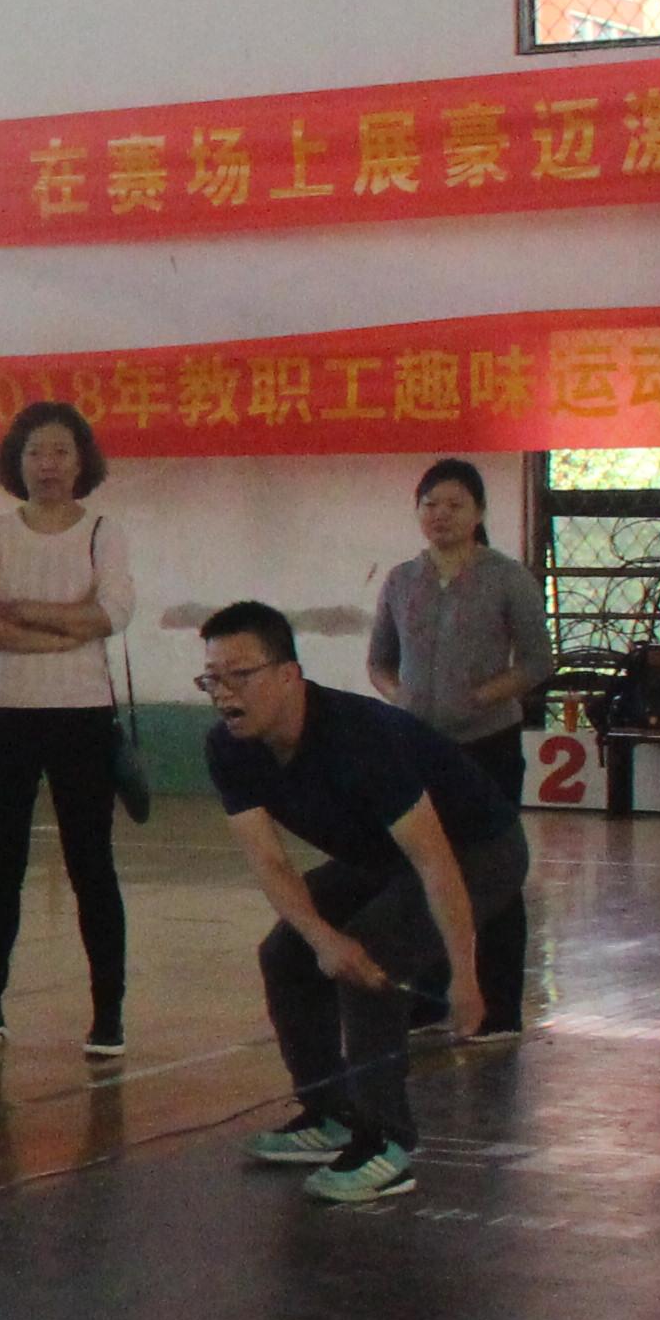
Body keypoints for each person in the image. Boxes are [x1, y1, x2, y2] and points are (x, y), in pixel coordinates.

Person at [196, 602, 524, 1207]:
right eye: (212, 679)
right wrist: (322, 938)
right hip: (381, 856)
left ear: (288, 675)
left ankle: (386, 1143)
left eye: (240, 676)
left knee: (371, 956)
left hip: (479, 851)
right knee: (287, 954)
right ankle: (331, 1114)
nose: (224, 694)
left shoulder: (360, 738)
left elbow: (436, 862)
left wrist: (465, 977)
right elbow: (270, 863)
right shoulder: (229, 747)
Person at [0, 397, 137, 1062]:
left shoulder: (103, 531)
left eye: (60, 451)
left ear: (82, 460)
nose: (48, 464)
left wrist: (24, 611)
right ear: (17, 461)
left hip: (81, 714)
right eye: (35, 452)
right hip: (2, 713)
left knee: (92, 865)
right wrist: (64, 630)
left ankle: (108, 1015)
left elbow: (114, 611)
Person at [362, 455, 552, 1041]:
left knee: (493, 870)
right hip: (418, 747)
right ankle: (426, 1000)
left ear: (478, 513)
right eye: (430, 505)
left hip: (487, 744)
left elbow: (538, 661)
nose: (440, 515)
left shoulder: (507, 577)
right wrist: (401, 697)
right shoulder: (401, 580)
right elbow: (379, 661)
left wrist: (483, 696)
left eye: (454, 505)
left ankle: (498, 1008)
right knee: (421, 869)